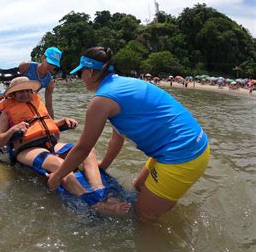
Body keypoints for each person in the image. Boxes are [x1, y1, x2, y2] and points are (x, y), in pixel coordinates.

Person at [47, 46, 210, 221]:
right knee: (138, 186)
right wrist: (103, 167)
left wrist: (57, 177)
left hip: (182, 155)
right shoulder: (123, 84)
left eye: (80, 74)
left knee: (144, 216)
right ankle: (166, 206)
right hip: (192, 143)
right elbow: (117, 139)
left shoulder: (101, 101)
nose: (80, 79)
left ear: (90, 72)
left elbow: (83, 148)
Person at [0, 77, 131, 216]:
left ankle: (100, 190)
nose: (24, 94)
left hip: (50, 145)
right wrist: (13, 129)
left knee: (88, 150)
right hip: (27, 149)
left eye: (27, 90)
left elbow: (44, 123)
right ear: (12, 94)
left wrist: (62, 121)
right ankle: (94, 202)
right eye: (20, 91)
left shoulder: (36, 102)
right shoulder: (6, 112)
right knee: (59, 164)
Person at [17, 47, 62, 118]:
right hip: (16, 96)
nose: (51, 67)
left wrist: (53, 124)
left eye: (54, 65)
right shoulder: (26, 66)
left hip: (30, 100)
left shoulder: (49, 81)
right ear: (43, 58)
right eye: (50, 63)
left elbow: (49, 106)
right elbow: (13, 83)